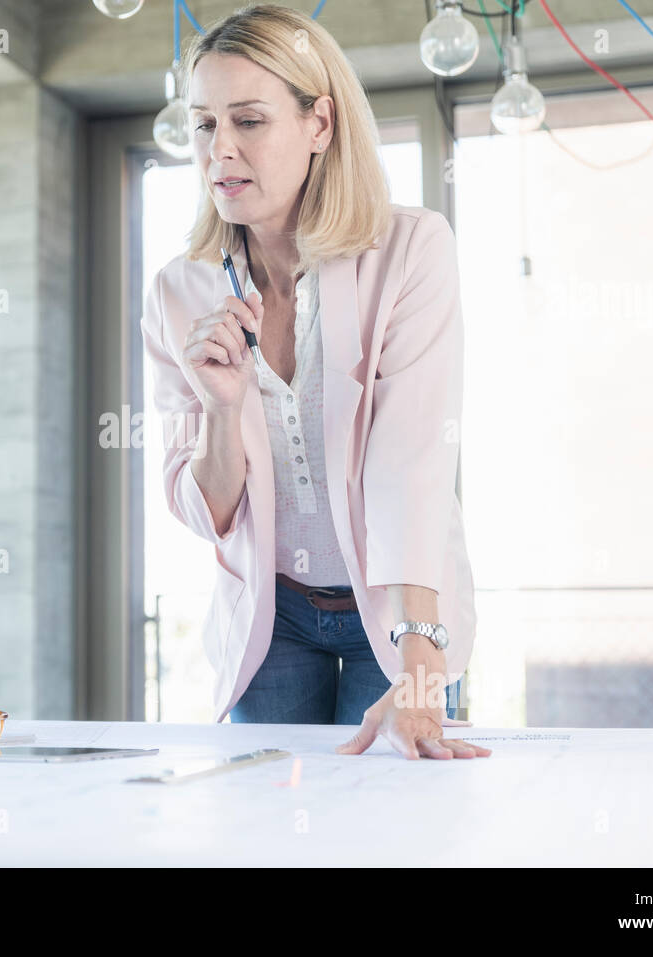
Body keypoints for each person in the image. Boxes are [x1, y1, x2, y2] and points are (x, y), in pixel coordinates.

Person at [139, 4, 490, 760]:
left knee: (398, 819)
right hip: (272, 615)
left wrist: (422, 667)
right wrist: (220, 411)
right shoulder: (178, 292)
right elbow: (207, 512)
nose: (219, 150)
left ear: (320, 124)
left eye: (249, 121)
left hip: (397, 609)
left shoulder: (410, 250)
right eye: (204, 125)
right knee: (274, 830)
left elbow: (411, 466)